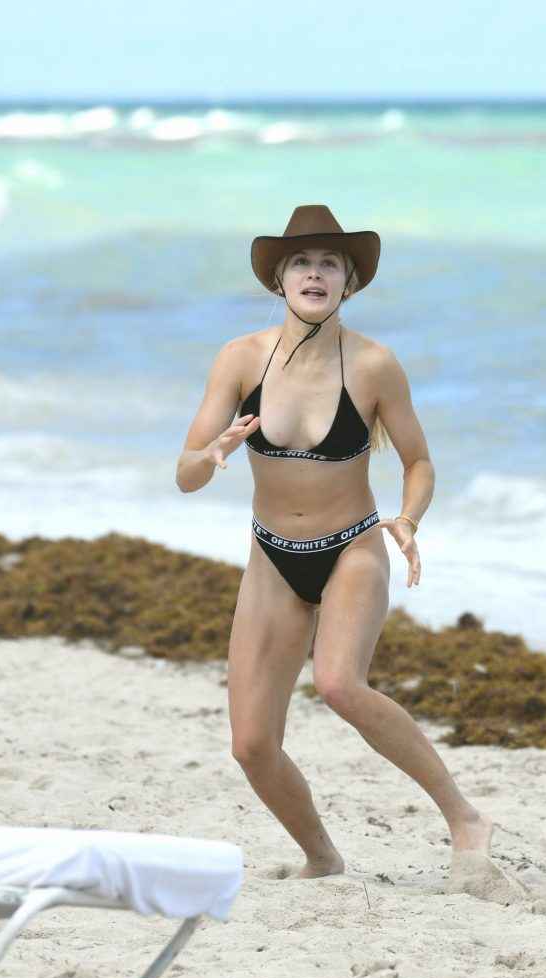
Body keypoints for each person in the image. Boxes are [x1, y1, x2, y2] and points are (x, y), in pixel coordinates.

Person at [176, 205, 493, 879]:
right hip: (271, 556)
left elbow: (419, 461)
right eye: (301, 262)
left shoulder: (375, 365)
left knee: (339, 684)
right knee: (251, 745)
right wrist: (214, 451)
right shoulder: (239, 359)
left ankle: (463, 816)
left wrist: (408, 518)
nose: (314, 274)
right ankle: (321, 858)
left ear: (349, 282)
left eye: (329, 264)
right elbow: (186, 474)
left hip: (351, 546)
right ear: (279, 280)